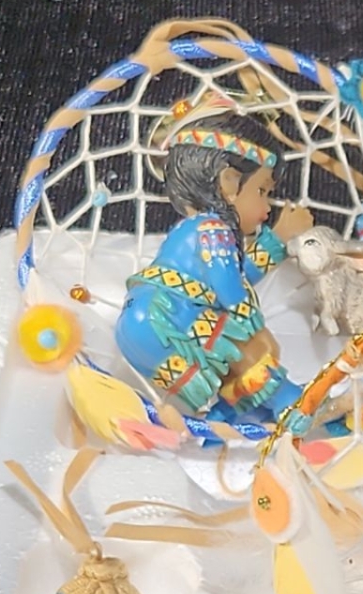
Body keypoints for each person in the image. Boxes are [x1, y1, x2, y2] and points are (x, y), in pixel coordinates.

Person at [115, 97, 313, 423]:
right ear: (228, 183)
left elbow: (233, 274)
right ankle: (289, 401)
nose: (267, 207)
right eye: (262, 191)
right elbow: (230, 288)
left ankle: (227, 417)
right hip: (167, 315)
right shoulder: (214, 228)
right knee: (247, 347)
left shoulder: (191, 228)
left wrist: (276, 239)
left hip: (139, 321)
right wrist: (252, 324)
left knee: (224, 366)